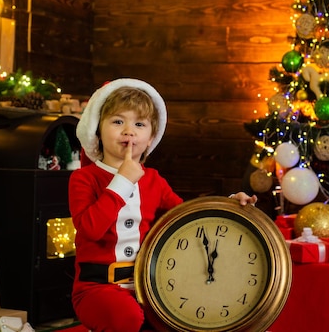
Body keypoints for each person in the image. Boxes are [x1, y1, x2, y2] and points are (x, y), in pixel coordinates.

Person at [69, 78, 256, 332]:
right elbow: (90, 229)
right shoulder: (84, 178)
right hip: (97, 288)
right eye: (117, 121)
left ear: (150, 138)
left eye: (139, 124)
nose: (129, 131)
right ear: (97, 131)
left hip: (150, 287)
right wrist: (122, 181)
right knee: (127, 318)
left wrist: (228, 205)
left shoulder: (154, 180)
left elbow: (187, 218)